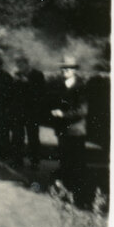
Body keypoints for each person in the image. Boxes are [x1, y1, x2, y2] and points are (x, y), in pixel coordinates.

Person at [50, 56, 88, 202]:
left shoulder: (81, 87)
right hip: (62, 131)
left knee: (76, 162)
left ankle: (79, 195)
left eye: (69, 68)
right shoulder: (59, 86)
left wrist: (63, 114)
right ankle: (65, 191)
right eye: (63, 68)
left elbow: (82, 110)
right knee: (64, 161)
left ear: (74, 70)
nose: (65, 70)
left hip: (76, 131)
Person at [14, 56, 47, 168]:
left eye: (21, 65)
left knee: (33, 137)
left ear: (27, 64)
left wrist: (28, 83)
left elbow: (41, 92)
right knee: (18, 137)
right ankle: (18, 161)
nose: (20, 67)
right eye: (18, 65)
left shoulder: (37, 75)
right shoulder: (17, 75)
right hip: (19, 112)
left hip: (32, 112)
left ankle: (34, 161)